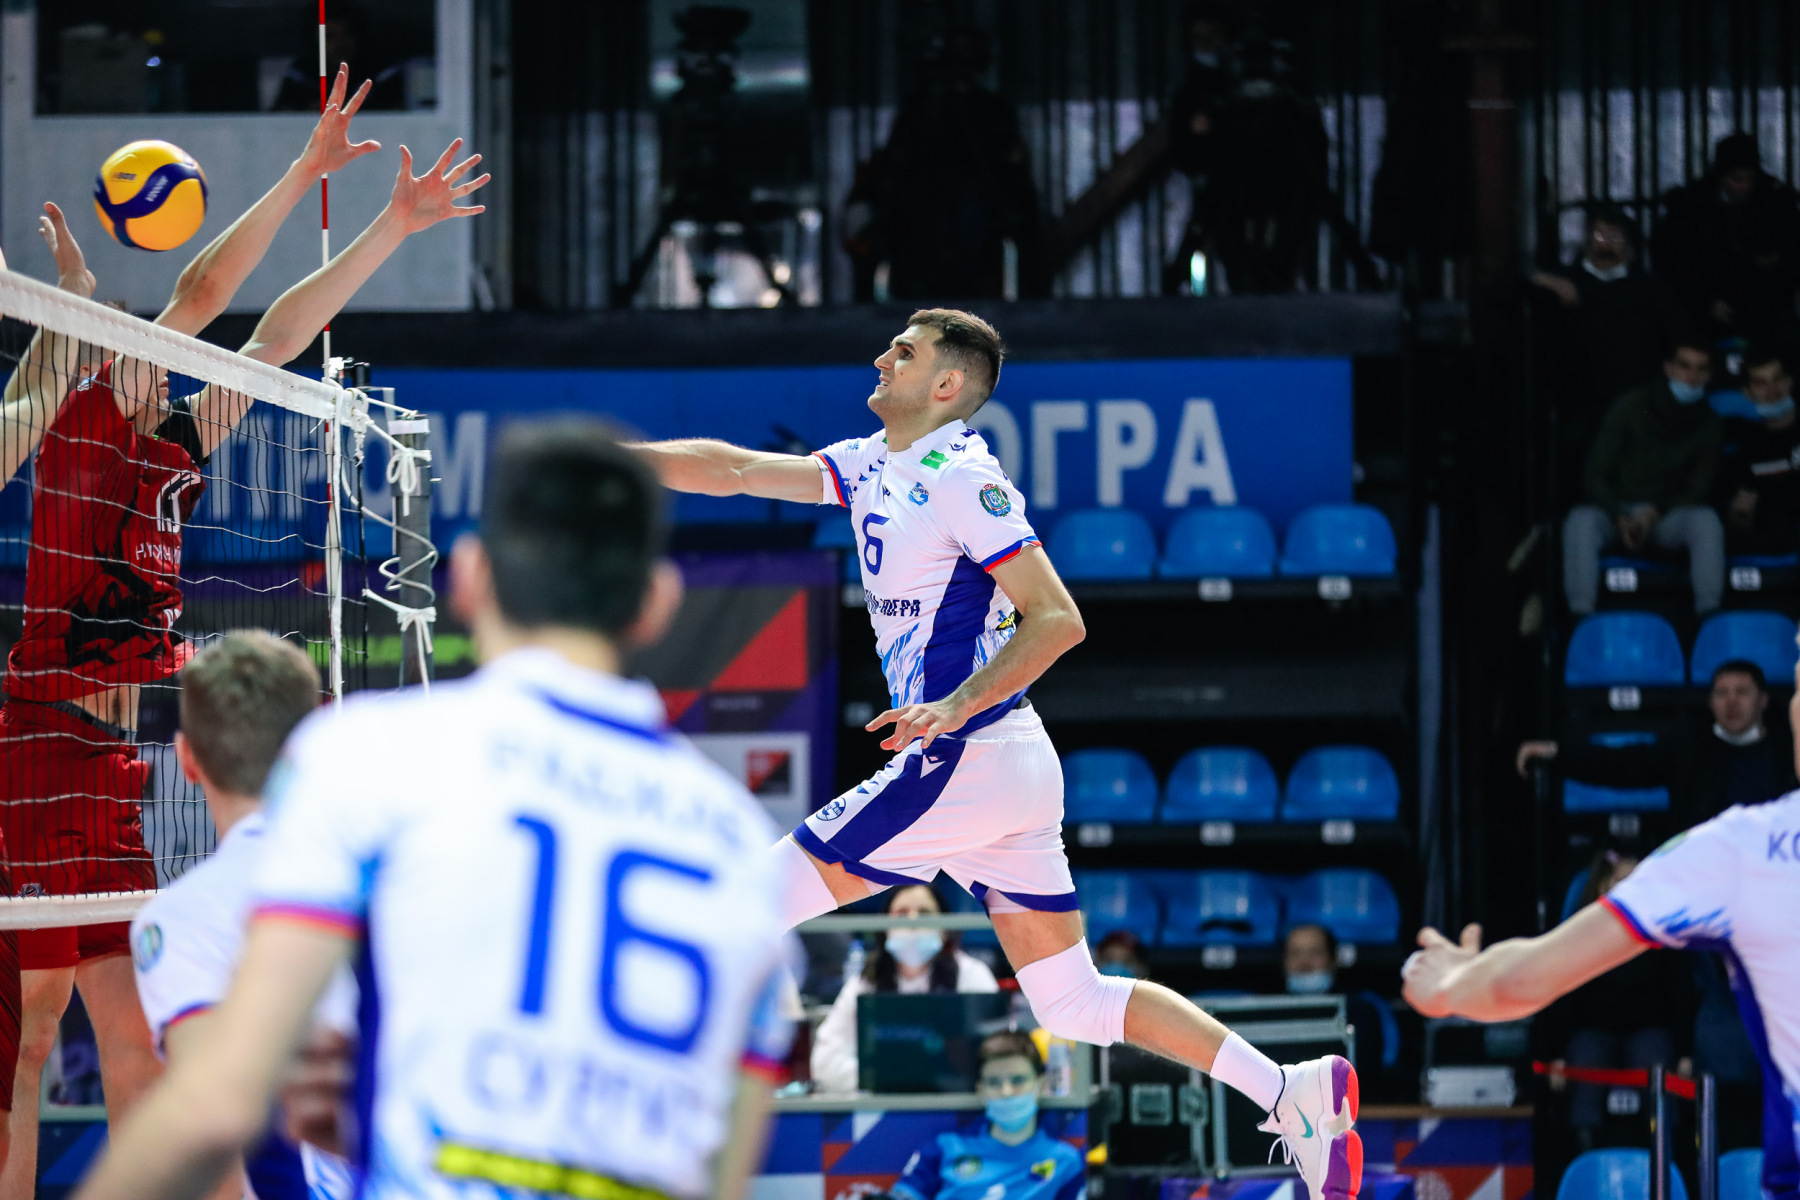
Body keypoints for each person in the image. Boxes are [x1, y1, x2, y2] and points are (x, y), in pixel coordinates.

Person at [631, 308, 1363, 1200]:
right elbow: (738, 471)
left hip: (964, 756)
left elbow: (1059, 619)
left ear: (946, 385)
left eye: (903, 351)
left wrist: (951, 707)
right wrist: (618, 462)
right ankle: (1288, 1088)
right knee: (1074, 1002)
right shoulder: (871, 462)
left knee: (742, 907)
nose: (881, 357)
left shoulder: (960, 476)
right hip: (1002, 766)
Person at [73, 419, 794, 1200]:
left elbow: (219, 1102)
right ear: (657, 602)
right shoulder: (742, 848)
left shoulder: (371, 756)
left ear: (472, 576)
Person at [0, 101, 488, 1199]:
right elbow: (205, 296)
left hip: (119, 757)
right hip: (40, 741)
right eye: (149, 355)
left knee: (135, 1044)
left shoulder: (176, 446)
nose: (169, 369)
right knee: (28, 1033)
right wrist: (306, 167)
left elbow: (273, 344)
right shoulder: (92, 419)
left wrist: (390, 228)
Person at [1401, 788, 1800, 1200]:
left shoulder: (1744, 845)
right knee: (1590, 1051)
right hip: (1601, 1029)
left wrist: (1450, 985)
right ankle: (1584, 1145)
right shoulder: (1739, 848)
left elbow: (1520, 982)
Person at [129, 632, 354, 1200]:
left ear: (186, 759)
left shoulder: (180, 917)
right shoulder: (395, 868)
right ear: (312, 739)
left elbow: (214, 1132)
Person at [1530, 206, 1694, 502]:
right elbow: (1497, 291)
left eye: (1616, 238)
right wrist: (1540, 279)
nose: (1605, 244)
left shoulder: (1650, 287)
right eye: (1598, 236)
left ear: (1631, 248)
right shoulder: (1566, 279)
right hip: (1580, 405)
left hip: (1638, 404)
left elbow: (1684, 336)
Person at [1536, 852, 1696, 1148]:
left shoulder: (1663, 933)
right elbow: (1564, 997)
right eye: (1624, 881)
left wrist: (1685, 1052)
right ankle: (1585, 1151)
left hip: (1647, 1027)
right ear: (1604, 887)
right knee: (1586, 1062)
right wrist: (1556, 1054)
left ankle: (1664, 1154)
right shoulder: (1581, 934)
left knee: (1656, 1067)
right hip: (1594, 1029)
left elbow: (1681, 993)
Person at [1516, 659, 1795, 827]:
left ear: (1763, 700)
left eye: (1742, 692)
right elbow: (1619, 764)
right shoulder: (1687, 745)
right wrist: (1557, 753)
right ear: (1711, 702)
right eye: (1722, 693)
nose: (1731, 702)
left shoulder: (1789, 748)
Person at [1562, 340, 1725, 615]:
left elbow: (1699, 487)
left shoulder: (1711, 421)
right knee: (1581, 520)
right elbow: (1594, 474)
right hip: (1616, 512)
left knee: (1705, 520)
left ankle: (1709, 617)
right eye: (1684, 366)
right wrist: (1618, 516)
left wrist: (1655, 513)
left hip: (1664, 515)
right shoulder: (1632, 405)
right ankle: (1581, 618)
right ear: (1669, 368)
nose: (1692, 376)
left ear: (1709, 375)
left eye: (1701, 369)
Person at [811, 882, 999, 1093]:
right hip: (882, 1107)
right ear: (885, 928)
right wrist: (890, 1076)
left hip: (956, 1104)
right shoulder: (865, 983)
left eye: (924, 913)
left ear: (945, 930)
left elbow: (998, 1057)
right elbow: (825, 1062)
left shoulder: (972, 975)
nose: (912, 922)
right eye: (901, 913)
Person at [889, 1031, 1085, 1200]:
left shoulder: (1065, 1161)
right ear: (980, 1090)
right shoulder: (945, 1147)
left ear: (1040, 1085)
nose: (1006, 1092)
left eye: (1018, 1080)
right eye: (994, 1082)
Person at [1654, 133, 1800, 347]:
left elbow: (1792, 254)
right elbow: (1671, 262)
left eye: (1749, 179)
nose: (1743, 186)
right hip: (1703, 317)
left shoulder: (1777, 203)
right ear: (1720, 176)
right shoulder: (1690, 206)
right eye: (1736, 179)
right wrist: (1705, 299)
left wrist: (1777, 262)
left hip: (1767, 314)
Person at [1282, 924, 1399, 1100]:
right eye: (1295, 954)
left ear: (1333, 960)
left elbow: (1367, 1077)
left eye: (1315, 953)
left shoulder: (1361, 1012)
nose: (1304, 963)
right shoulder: (1267, 1013)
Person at [1717, 346, 1800, 556]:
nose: (1772, 389)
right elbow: (1742, 525)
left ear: (1789, 381)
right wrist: (1740, 519)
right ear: (1747, 392)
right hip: (1781, 536)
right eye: (1761, 383)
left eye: (1778, 379)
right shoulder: (1747, 448)